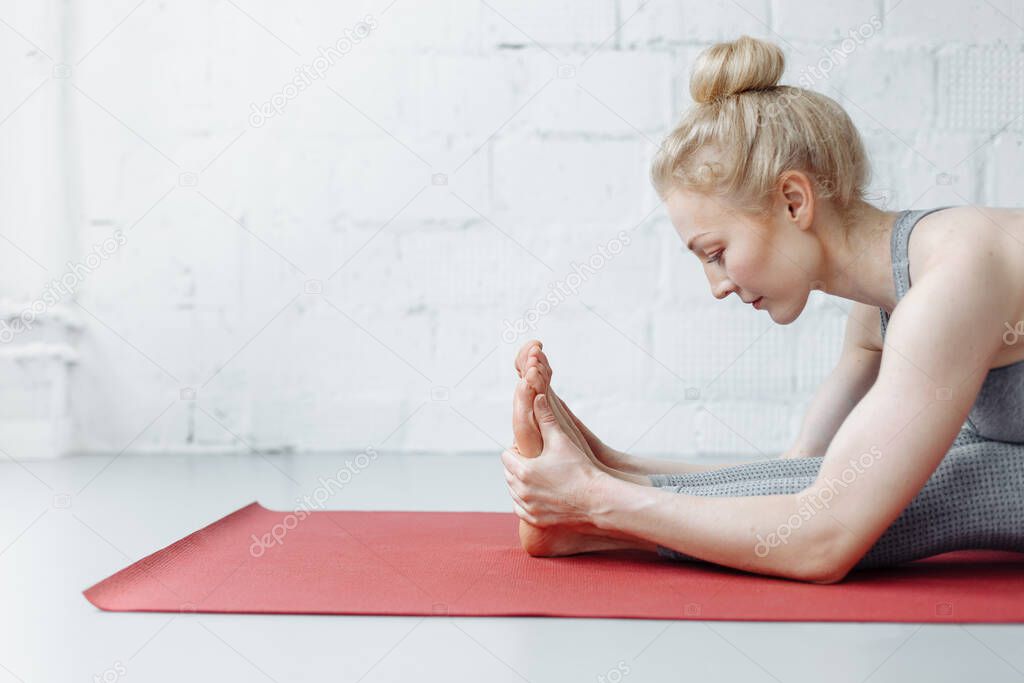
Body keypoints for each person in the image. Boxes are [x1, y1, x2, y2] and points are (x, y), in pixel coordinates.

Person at [500, 35, 1024, 584]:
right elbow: (805, 473)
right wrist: (614, 466)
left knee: (960, 482)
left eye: (717, 253)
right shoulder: (882, 310)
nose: (717, 286)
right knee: (878, 479)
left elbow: (825, 539)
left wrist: (597, 498)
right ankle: (586, 517)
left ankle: (593, 521)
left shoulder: (953, 281)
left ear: (794, 201)